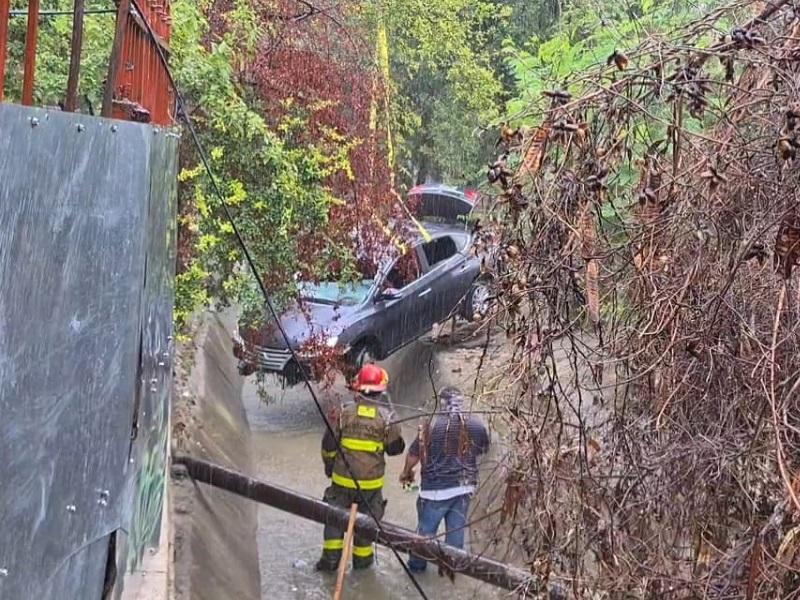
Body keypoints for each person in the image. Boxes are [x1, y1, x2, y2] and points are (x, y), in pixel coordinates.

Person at [317, 364, 405, 571]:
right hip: (371, 488)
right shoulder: (388, 419)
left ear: (358, 389)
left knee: (334, 522)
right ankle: (362, 567)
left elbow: (328, 445)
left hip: (340, 483)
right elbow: (394, 450)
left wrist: (329, 467)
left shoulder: (343, 413)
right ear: (381, 390)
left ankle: (330, 563)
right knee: (366, 528)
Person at [399, 386, 490, 572]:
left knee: (425, 533)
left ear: (441, 403)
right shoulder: (477, 424)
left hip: (435, 491)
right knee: (455, 531)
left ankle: (417, 568)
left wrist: (406, 472)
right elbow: (482, 450)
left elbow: (413, 455)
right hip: (464, 487)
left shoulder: (430, 425)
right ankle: (451, 569)